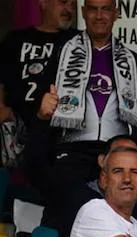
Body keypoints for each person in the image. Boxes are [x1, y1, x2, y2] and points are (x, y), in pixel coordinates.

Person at [32, 0, 137, 237]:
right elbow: (43, 102)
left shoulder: (131, 60)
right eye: (93, 9)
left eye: (106, 9)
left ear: (116, 13)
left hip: (116, 153)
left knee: (120, 223)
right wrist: (42, 109)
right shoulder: (64, 51)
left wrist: (129, 147)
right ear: (83, 13)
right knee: (62, 220)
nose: (99, 15)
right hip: (71, 151)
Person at [0, 0, 75, 161]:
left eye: (72, 4)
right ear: (43, 3)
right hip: (15, 132)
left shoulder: (76, 41)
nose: (68, 9)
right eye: (63, 2)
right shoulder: (15, 39)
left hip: (58, 132)